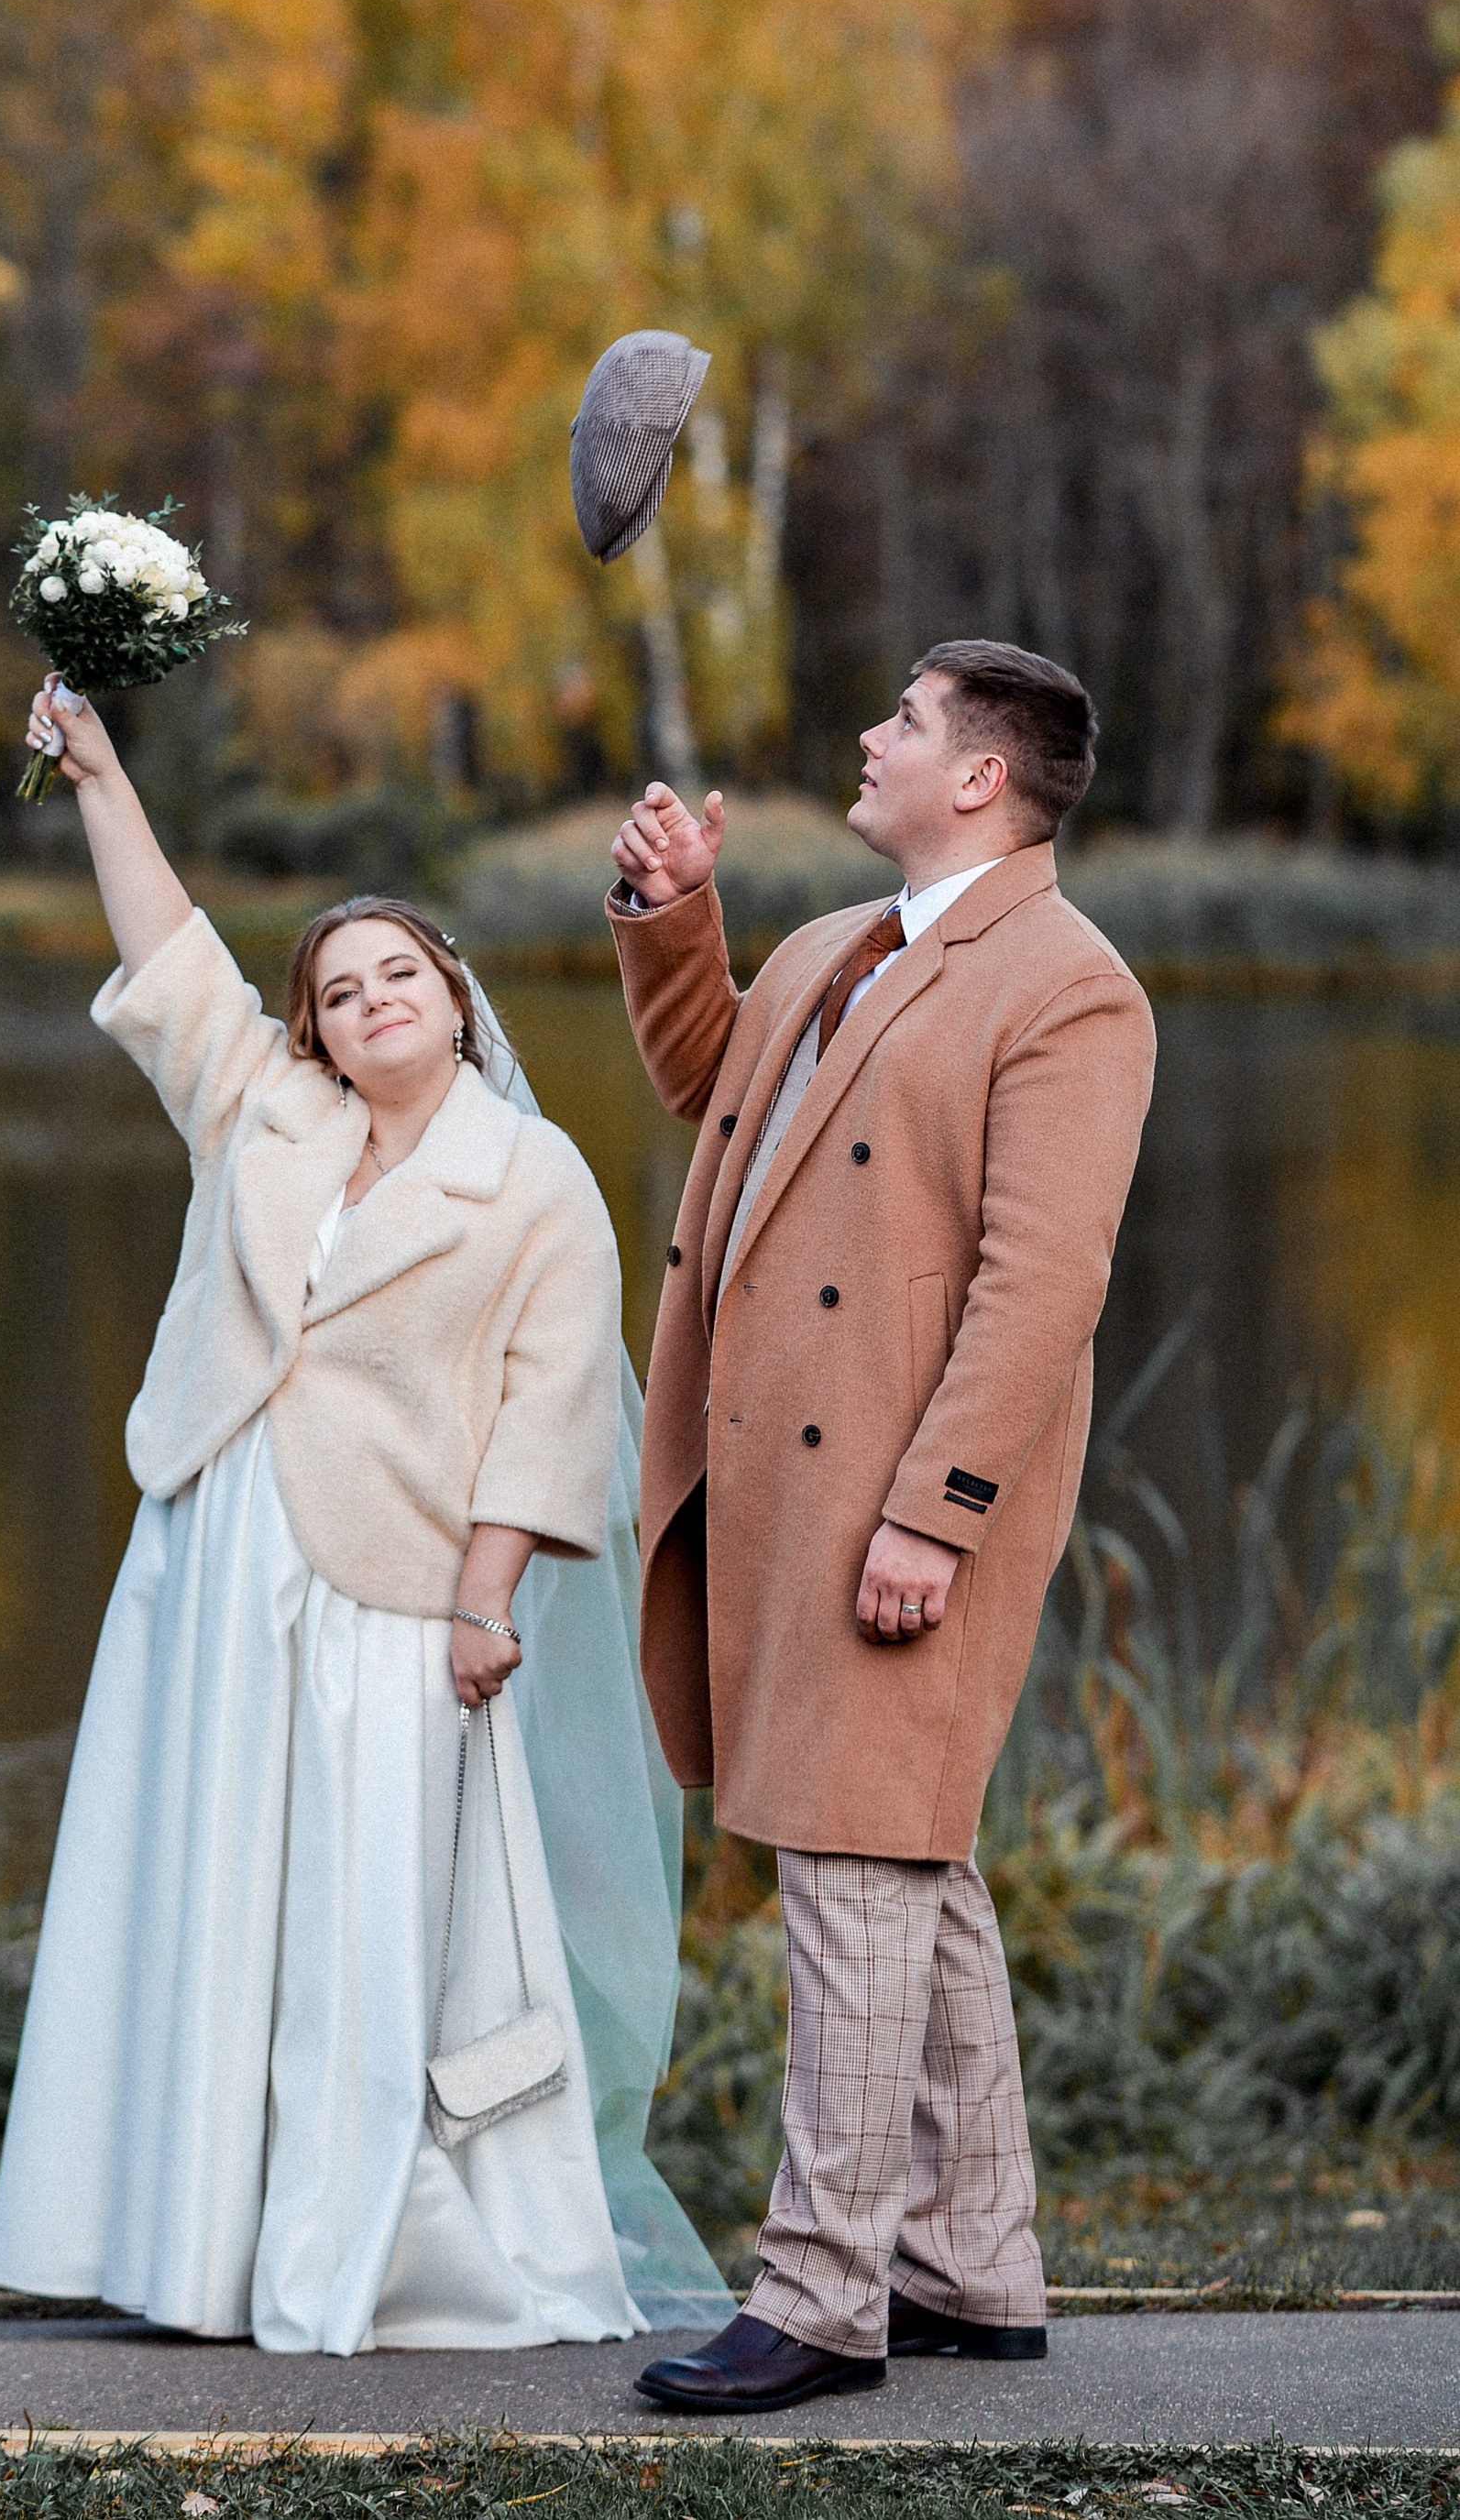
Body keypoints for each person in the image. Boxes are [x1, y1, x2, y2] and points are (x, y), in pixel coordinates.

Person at [0, 673, 727, 2352]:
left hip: (392, 1595)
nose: (374, 998)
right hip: (209, 1566)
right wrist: (100, 770)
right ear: (310, 1029)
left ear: (456, 1004)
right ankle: (193, 2250)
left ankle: (359, 2248)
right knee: (204, 1892)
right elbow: (171, 954)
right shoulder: (266, 1115)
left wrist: (486, 1604)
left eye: (404, 973)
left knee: (358, 1929)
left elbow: (548, 1415)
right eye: (340, 987)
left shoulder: (527, 1179)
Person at [609, 641, 1157, 2416]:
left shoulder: (1066, 986)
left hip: (899, 1497)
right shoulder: (836, 946)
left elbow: (1039, 1280)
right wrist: (671, 915)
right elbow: (712, 1085)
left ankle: (822, 2290)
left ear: (982, 773)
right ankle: (966, 2261)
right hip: (780, 1483)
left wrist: (937, 1509)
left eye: (902, 720)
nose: (867, 735)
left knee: (849, 1868)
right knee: (904, 1854)